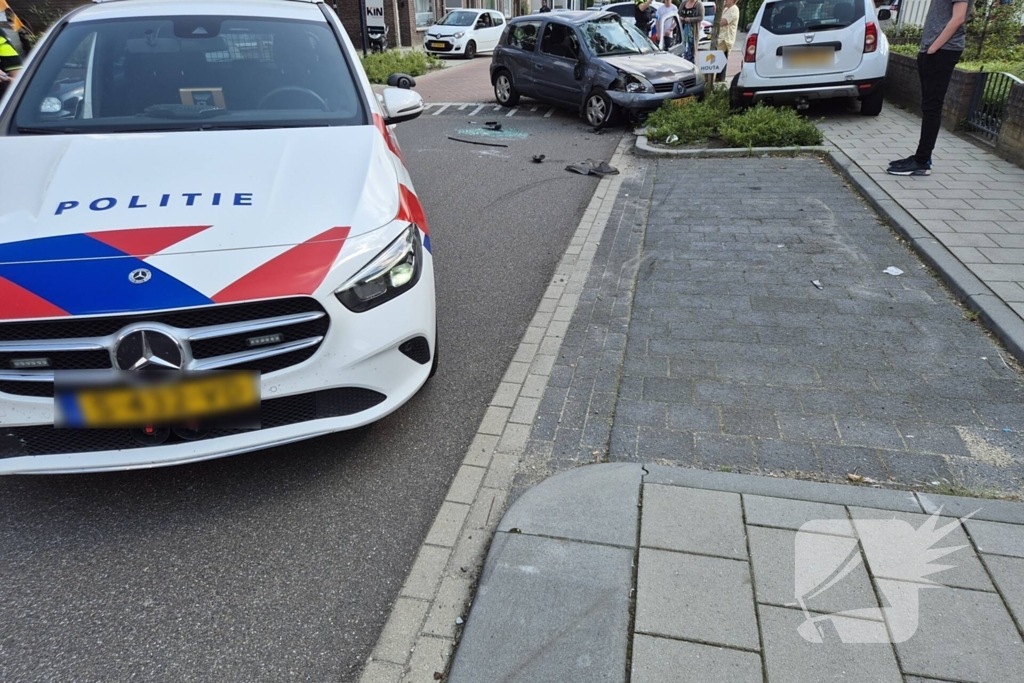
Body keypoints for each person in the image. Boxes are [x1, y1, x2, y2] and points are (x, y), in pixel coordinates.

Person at [886, 0, 970, 176]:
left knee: (932, 107)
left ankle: (922, 161)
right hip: (933, 50)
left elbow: (958, 18)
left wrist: (933, 49)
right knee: (928, 106)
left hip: (943, 51)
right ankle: (922, 157)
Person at [716, 0, 740, 82]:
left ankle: (719, 80)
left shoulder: (734, 9)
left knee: (719, 58)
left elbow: (723, 22)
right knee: (718, 58)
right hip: (720, 38)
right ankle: (716, 78)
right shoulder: (726, 9)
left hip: (725, 39)